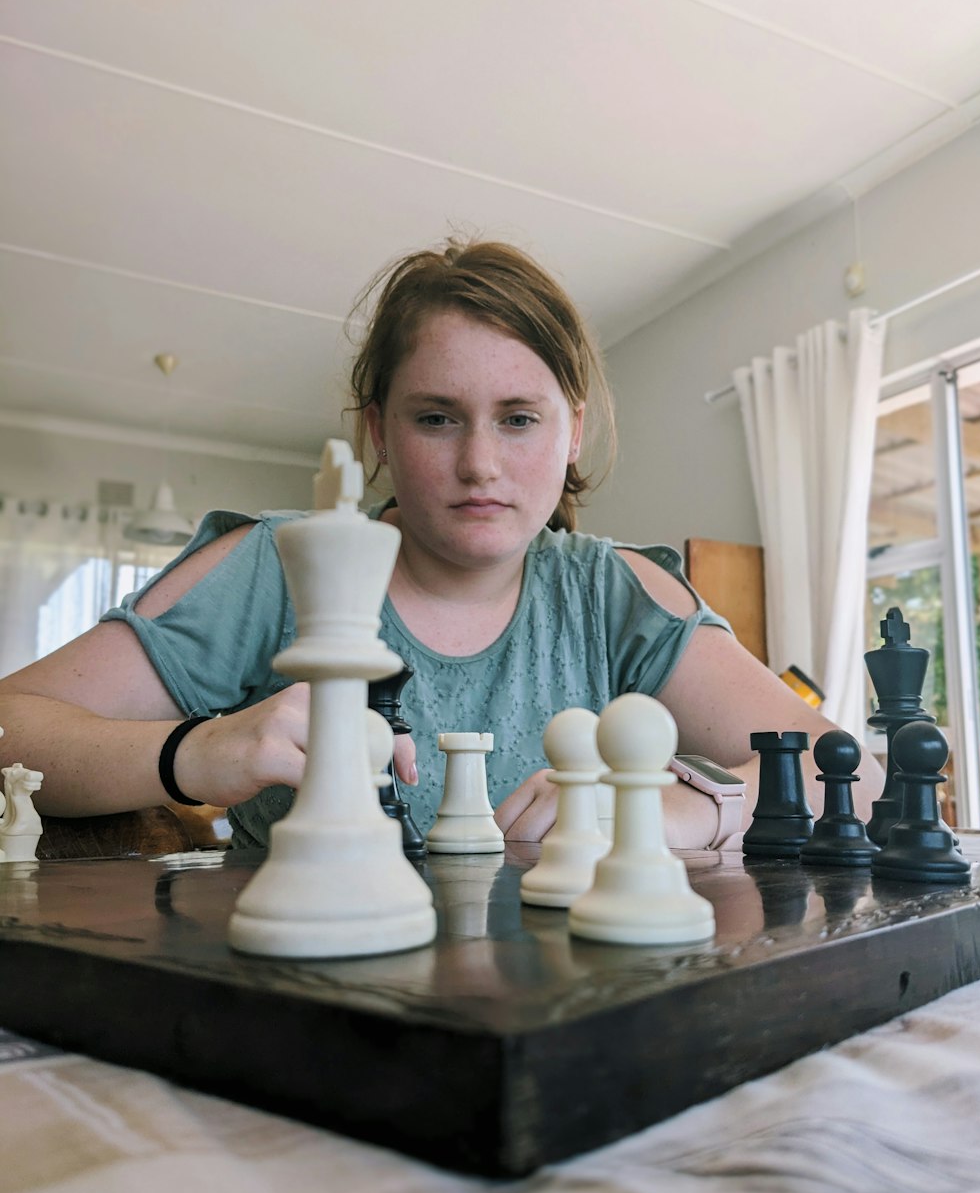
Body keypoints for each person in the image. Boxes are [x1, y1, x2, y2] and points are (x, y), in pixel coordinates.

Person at [0, 239, 882, 849]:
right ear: (378, 430)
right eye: (436, 418)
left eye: (520, 419)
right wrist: (199, 752)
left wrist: (686, 804)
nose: (480, 465)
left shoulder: (616, 594)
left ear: (572, 431)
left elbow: (858, 774)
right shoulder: (273, 567)